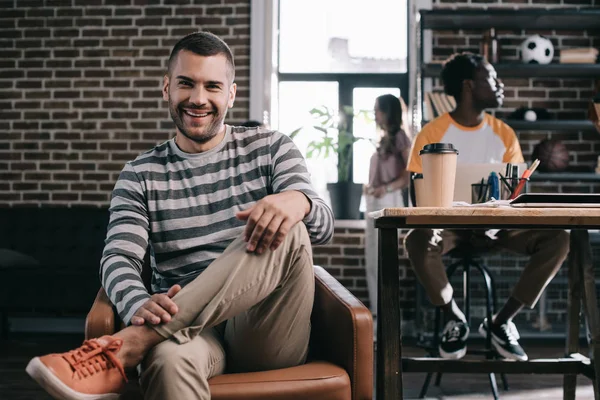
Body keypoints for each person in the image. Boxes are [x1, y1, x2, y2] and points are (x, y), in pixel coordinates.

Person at [25, 32, 334, 400]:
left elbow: (322, 227)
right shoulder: (139, 174)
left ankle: (130, 345)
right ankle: (150, 339)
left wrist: (297, 200)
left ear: (230, 94)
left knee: (290, 225)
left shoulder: (271, 148)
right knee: (167, 361)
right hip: (186, 333)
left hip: (265, 330)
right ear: (167, 88)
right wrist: (137, 302)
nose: (198, 99)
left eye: (212, 86)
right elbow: (119, 258)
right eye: (186, 84)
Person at [405, 52, 569, 362]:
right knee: (416, 237)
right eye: (492, 78)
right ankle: (454, 318)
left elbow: (518, 193)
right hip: (450, 230)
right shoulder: (431, 134)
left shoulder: (504, 134)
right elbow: (418, 196)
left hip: (498, 228)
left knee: (559, 237)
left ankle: (501, 321)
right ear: (468, 86)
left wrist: (493, 222)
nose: (500, 85)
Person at [363, 94, 411, 317]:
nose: (375, 113)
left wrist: (387, 188)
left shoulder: (401, 137)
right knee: (372, 261)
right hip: (375, 200)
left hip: (389, 201)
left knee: (383, 261)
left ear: (388, 112)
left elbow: (409, 174)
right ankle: (377, 314)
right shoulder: (384, 139)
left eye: (378, 109)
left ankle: (385, 316)